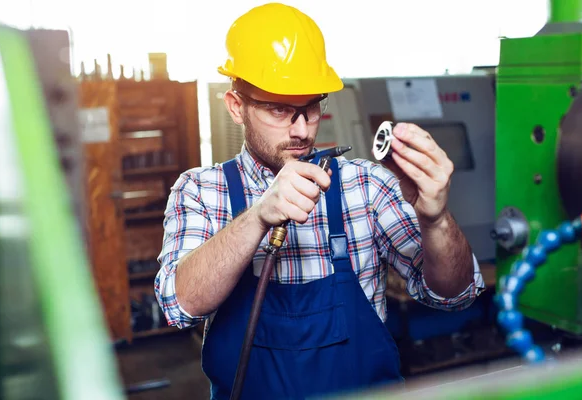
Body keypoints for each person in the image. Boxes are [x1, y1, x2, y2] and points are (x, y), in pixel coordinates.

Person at [155, 3, 485, 399]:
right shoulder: (201, 190)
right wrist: (258, 217)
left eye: (310, 108)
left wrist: (436, 219)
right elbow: (178, 306)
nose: (301, 129)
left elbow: (455, 294)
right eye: (280, 109)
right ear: (236, 107)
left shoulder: (366, 186)